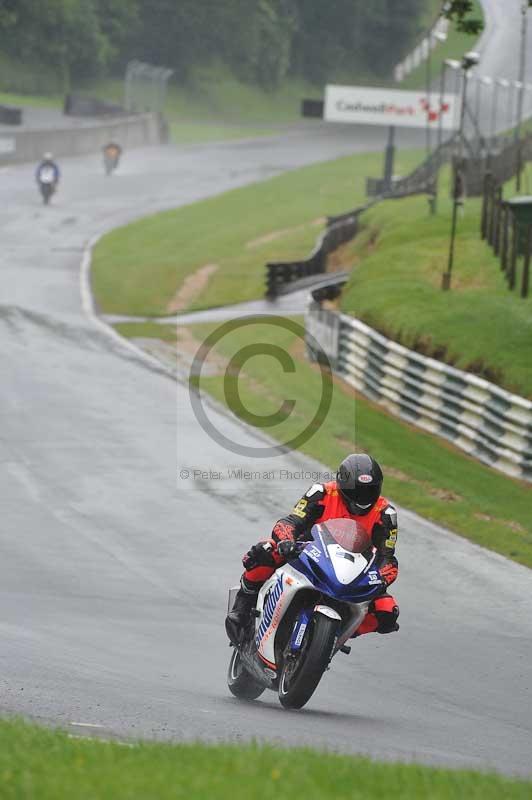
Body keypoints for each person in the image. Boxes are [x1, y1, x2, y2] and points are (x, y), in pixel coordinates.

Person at [225, 453, 399, 645]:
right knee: (264, 551)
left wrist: (381, 578)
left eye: (370, 491)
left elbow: (387, 558)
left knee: (387, 611)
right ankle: (242, 607)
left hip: (353, 572)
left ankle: (331, 638)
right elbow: (290, 521)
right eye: (357, 491)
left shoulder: (385, 514)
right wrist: (286, 541)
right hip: (307, 552)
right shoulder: (322, 493)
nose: (363, 498)